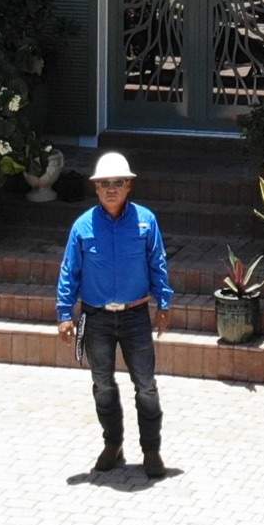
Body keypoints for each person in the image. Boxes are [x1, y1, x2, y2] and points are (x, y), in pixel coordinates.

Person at [56, 151, 171, 478]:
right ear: (95, 188)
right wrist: (65, 313)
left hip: (136, 316)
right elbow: (69, 272)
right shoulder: (83, 226)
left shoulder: (146, 221)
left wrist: (164, 303)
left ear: (129, 186)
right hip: (97, 319)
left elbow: (157, 263)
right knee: (102, 383)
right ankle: (113, 445)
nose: (111, 189)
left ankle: (151, 451)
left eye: (117, 183)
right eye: (104, 183)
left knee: (146, 385)